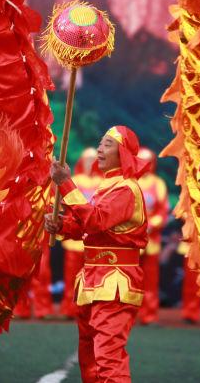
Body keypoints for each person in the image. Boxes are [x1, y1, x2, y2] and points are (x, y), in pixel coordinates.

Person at [44, 126, 149, 383]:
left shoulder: (125, 189)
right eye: (100, 143)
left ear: (123, 153)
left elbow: (96, 221)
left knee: (108, 357)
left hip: (115, 282)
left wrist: (66, 184)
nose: (100, 149)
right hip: (95, 279)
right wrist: (61, 226)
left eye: (107, 145)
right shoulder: (108, 187)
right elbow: (88, 229)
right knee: (90, 356)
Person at [61, 147, 101, 319]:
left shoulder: (102, 182)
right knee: (71, 277)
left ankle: (91, 310)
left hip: (94, 239)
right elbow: (65, 206)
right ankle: (69, 309)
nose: (90, 163)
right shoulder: (74, 180)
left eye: (93, 159)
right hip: (74, 237)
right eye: (87, 159)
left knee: (94, 279)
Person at [136, 147, 170, 325]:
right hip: (131, 240)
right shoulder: (130, 182)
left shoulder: (158, 183)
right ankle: (130, 314)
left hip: (151, 240)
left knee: (150, 280)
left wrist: (152, 224)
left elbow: (163, 211)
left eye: (148, 161)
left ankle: (149, 314)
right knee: (131, 279)